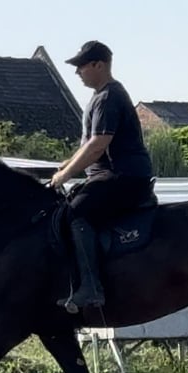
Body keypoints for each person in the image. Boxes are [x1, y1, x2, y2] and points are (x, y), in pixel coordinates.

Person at [51, 40, 154, 311]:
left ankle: (92, 289)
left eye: (81, 66)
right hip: (111, 176)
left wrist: (65, 176)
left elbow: (98, 145)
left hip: (123, 176)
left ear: (99, 64)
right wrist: (68, 165)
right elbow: (87, 146)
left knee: (75, 212)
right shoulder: (100, 97)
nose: (77, 73)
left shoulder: (109, 97)